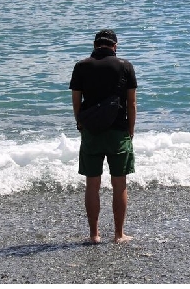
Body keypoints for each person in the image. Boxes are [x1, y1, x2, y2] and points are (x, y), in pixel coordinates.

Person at [69, 29, 137, 244]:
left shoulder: (81, 66)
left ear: (95, 44)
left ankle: (94, 235)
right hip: (118, 131)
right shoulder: (125, 66)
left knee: (92, 184)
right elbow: (132, 103)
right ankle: (119, 235)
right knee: (120, 184)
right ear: (115, 46)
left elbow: (76, 101)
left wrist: (80, 123)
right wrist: (131, 130)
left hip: (91, 132)